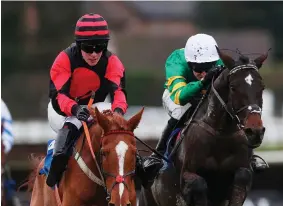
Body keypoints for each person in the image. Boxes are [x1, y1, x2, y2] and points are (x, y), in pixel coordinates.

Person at [143, 33, 268, 182]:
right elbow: (180, 97)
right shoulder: (176, 60)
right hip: (177, 95)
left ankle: (249, 156)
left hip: (206, 94)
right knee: (180, 111)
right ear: (189, 63)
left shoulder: (220, 61)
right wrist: (203, 82)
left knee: (228, 108)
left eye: (207, 67)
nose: (203, 72)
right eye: (198, 68)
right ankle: (158, 154)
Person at [46, 13, 131, 187]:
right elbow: (59, 96)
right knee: (71, 127)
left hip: (96, 106)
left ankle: (140, 171)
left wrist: (118, 113)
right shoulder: (64, 60)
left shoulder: (112, 61)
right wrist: (76, 109)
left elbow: (119, 93)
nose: (94, 54)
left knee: (120, 131)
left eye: (99, 47)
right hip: (62, 110)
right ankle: (55, 172)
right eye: (88, 48)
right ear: (78, 46)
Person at [1, 99, 22, 206]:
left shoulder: (1, 105)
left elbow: (8, 130)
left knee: (5, 174)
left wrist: (4, 146)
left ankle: (11, 198)